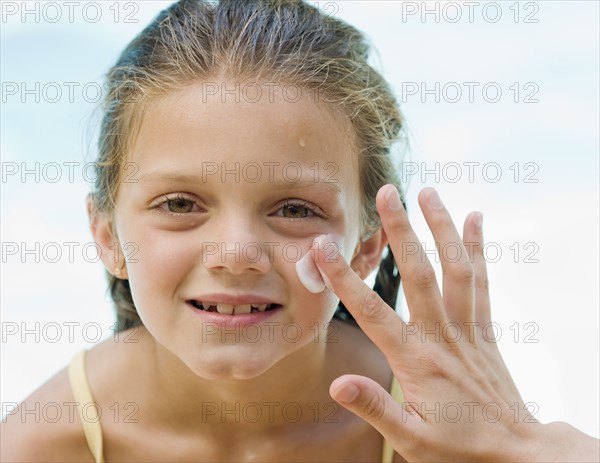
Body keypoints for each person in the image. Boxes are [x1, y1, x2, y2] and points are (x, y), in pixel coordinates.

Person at [2, 0, 598, 461]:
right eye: (180, 203)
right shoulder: (43, 445)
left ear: (368, 245)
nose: (236, 253)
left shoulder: (439, 429)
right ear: (107, 235)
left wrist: (526, 450)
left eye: (293, 209)